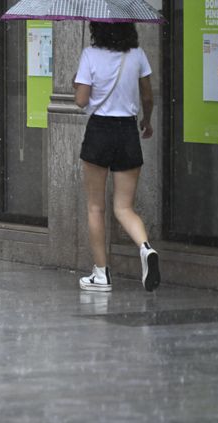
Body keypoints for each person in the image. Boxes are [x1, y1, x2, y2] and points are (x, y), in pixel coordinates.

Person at [73, 22, 160, 292]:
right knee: (124, 208)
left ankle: (101, 275)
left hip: (99, 130)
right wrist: (147, 120)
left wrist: (77, 83)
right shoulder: (137, 54)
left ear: (97, 28)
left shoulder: (90, 55)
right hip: (127, 131)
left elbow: (81, 100)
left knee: (95, 207)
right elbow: (148, 96)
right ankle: (145, 248)